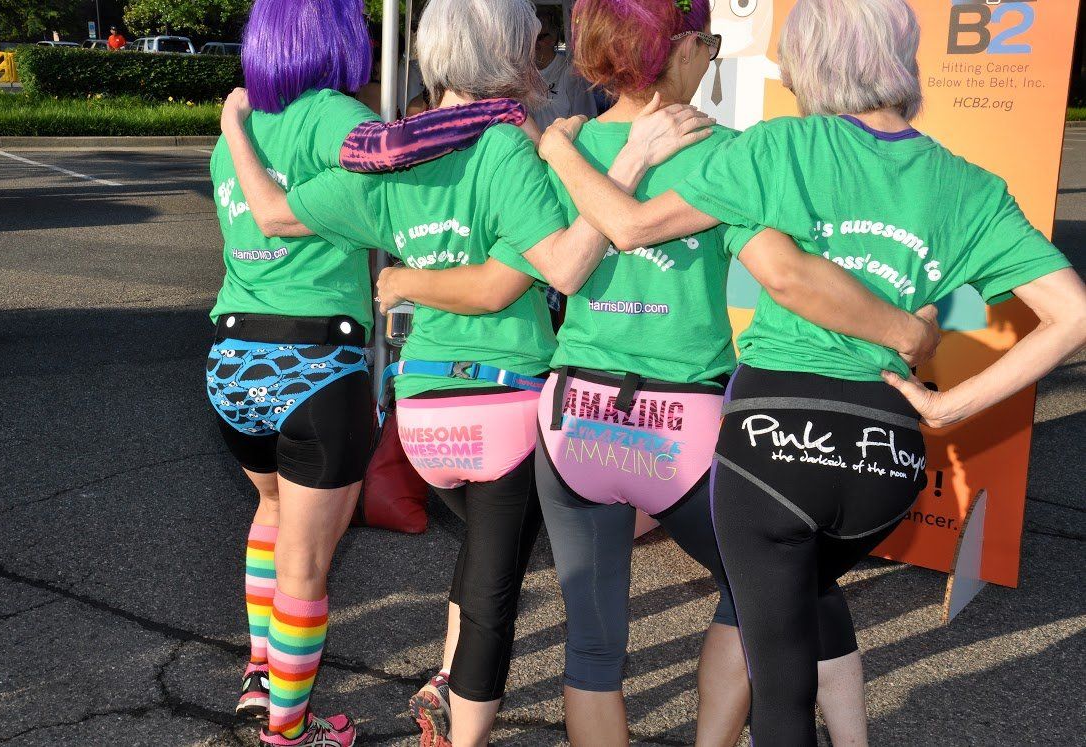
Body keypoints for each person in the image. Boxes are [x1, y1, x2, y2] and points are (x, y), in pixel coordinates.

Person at [376, 1, 938, 745]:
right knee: (768, 593)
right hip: (685, 430)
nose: (711, 54)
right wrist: (903, 329)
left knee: (593, 651)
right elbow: (793, 274)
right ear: (669, 51)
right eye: (704, 40)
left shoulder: (561, 144)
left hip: (574, 419)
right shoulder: (727, 150)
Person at [538, 0, 1086, 743]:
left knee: (782, 691)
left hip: (770, 448)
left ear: (812, 60)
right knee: (805, 600)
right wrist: (951, 404)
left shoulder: (776, 149)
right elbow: (1073, 315)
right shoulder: (972, 187)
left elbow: (632, 229)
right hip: (885, 458)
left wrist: (561, 152)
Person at [217, 2, 718, 744]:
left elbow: (273, 214)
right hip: (506, 408)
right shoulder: (506, 151)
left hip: (421, 416)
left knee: (476, 562)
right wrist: (618, 161)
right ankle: (459, 725)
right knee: (492, 593)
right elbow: (566, 265)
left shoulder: (385, 162)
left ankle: (436, 684)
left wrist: (232, 125)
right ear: (513, 49)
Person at [209, 1, 528, 745]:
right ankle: (289, 730)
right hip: (313, 365)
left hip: (230, 361)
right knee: (307, 566)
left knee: (272, 518)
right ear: (338, 39)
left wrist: (229, 123)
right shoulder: (324, 115)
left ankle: (263, 678)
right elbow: (389, 147)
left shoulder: (243, 130)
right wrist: (491, 116)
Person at [532, 9, 598, 131]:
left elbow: (586, 119)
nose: (534, 43)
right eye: (531, 37)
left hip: (562, 145)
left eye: (539, 37)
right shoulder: (524, 73)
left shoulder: (571, 72)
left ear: (553, 38)